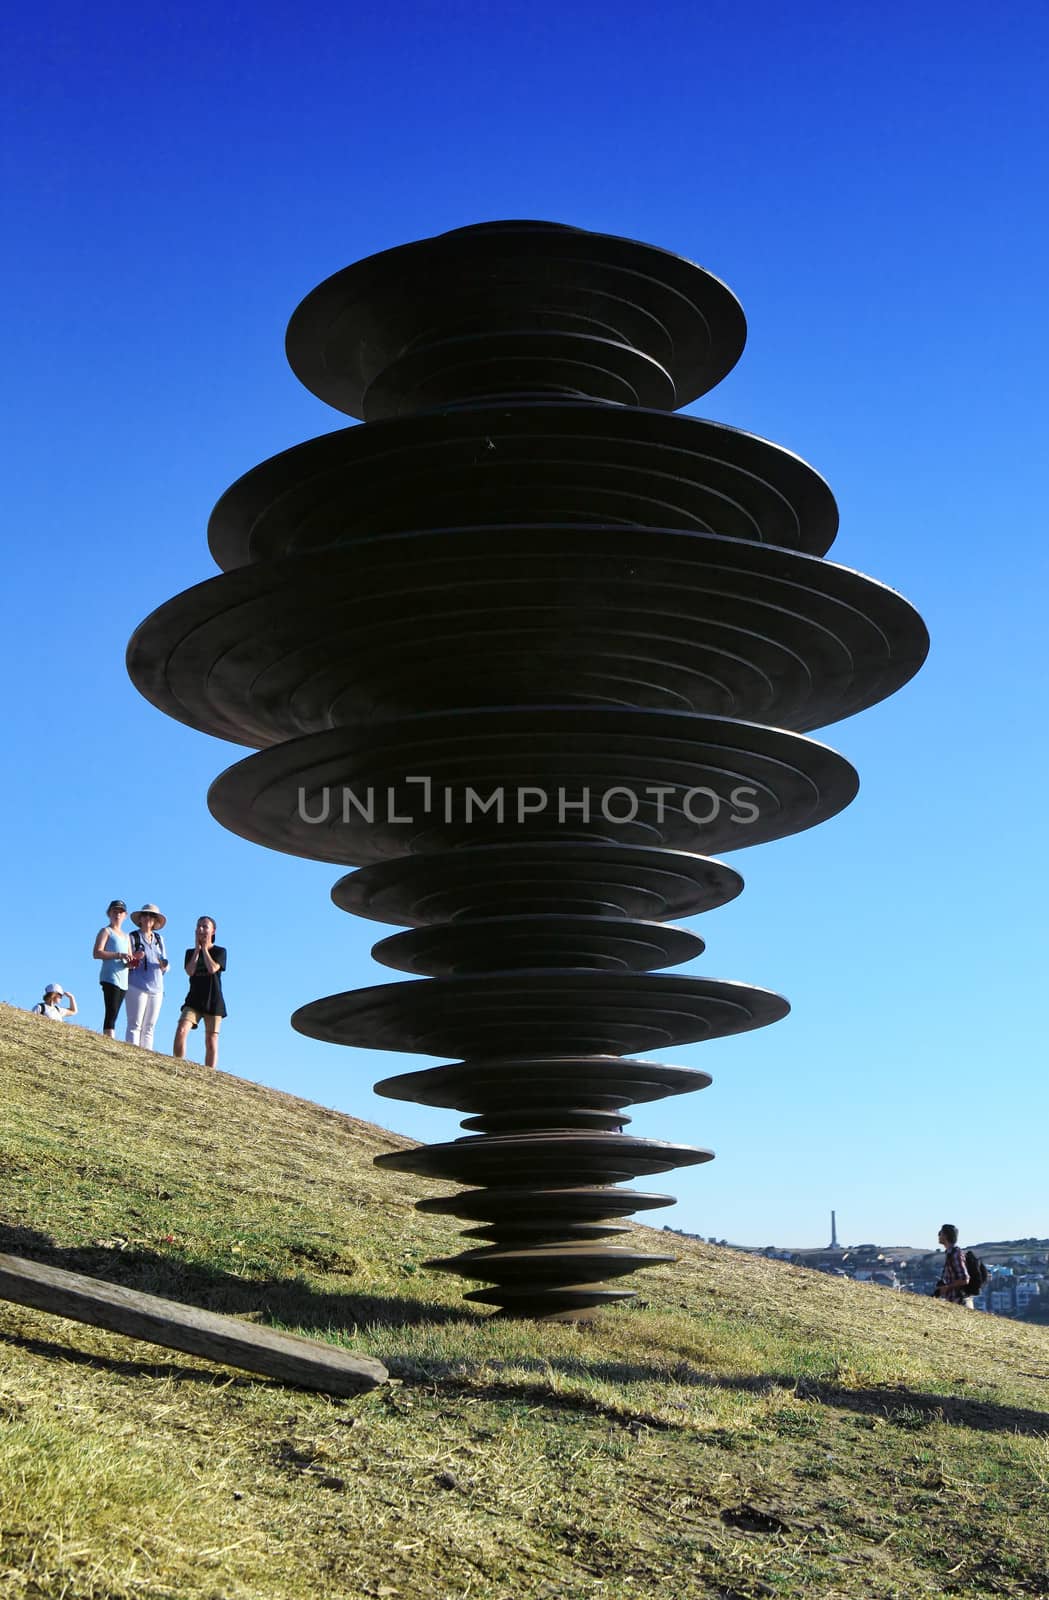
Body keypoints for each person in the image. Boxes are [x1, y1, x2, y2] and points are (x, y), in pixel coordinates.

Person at [173, 915, 227, 1070]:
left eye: (205, 926)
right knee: (181, 1029)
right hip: (194, 1000)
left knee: (211, 1040)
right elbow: (190, 971)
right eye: (198, 926)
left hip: (213, 1000)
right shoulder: (190, 953)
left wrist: (204, 949)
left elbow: (212, 969)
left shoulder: (220, 951)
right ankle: (178, 1064)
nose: (201, 930)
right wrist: (197, 950)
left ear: (213, 931)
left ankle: (209, 1073)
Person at [125, 903, 170, 1050]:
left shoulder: (159, 939)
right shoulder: (132, 937)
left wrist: (164, 965)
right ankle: (131, 1054)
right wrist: (135, 958)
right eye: (145, 915)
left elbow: (166, 963)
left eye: (152, 916)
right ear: (140, 918)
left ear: (156, 920)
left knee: (150, 1026)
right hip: (136, 985)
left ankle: (146, 1056)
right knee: (135, 1024)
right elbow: (126, 961)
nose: (148, 918)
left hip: (157, 986)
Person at [93, 900, 132, 1037]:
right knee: (111, 1010)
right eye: (115, 911)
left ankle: (109, 1036)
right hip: (110, 976)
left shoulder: (127, 937)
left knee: (115, 1012)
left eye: (120, 912)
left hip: (123, 978)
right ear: (109, 913)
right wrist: (118, 955)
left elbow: (129, 958)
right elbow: (97, 952)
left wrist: (132, 961)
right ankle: (109, 1037)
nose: (117, 914)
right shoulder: (106, 931)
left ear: (125, 915)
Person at [934, 1223, 974, 1308]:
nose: (938, 1235)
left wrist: (947, 1287)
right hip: (955, 1302)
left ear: (945, 1236)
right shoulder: (951, 1253)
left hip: (960, 1302)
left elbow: (965, 1279)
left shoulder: (955, 1254)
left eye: (940, 1233)